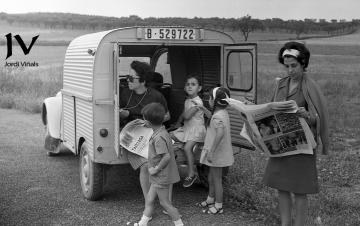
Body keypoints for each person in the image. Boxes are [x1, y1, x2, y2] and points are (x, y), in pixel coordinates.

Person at [263, 41, 329, 226]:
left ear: (303, 64)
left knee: (299, 190)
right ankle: (285, 224)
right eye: (287, 66)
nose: (290, 70)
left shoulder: (311, 86)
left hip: (302, 144)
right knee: (282, 187)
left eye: (294, 66)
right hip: (281, 141)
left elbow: (320, 118)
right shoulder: (280, 84)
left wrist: (307, 116)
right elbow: (271, 108)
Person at [119, 61, 170, 201]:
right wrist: (121, 114)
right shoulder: (124, 93)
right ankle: (149, 202)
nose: (127, 81)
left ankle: (156, 200)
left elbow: (167, 116)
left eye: (131, 78)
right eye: (127, 77)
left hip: (150, 134)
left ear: (143, 81)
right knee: (147, 164)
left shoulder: (156, 96)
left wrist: (152, 121)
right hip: (130, 135)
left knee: (154, 162)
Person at [134, 103, 183, 226]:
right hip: (159, 176)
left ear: (148, 123)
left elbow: (166, 156)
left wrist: (156, 169)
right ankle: (142, 223)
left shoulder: (159, 138)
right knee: (150, 199)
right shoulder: (162, 131)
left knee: (165, 203)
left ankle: (179, 223)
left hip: (161, 176)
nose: (143, 121)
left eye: (144, 119)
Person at [196, 87, 234, 214]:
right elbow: (212, 117)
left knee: (216, 179)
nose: (209, 100)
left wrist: (211, 151)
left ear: (215, 101)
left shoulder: (218, 117)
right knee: (211, 177)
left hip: (217, 154)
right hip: (216, 153)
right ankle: (210, 199)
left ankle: (218, 205)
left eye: (210, 98)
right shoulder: (221, 113)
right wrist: (202, 108)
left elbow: (220, 133)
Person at [171, 75, 207, 187]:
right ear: (185, 88)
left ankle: (191, 173)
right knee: (170, 135)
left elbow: (187, 116)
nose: (190, 86)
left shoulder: (198, 102)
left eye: (193, 84)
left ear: (199, 88)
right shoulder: (188, 100)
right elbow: (183, 113)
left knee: (187, 148)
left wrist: (193, 108)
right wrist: (177, 123)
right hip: (188, 129)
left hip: (196, 130)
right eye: (188, 84)